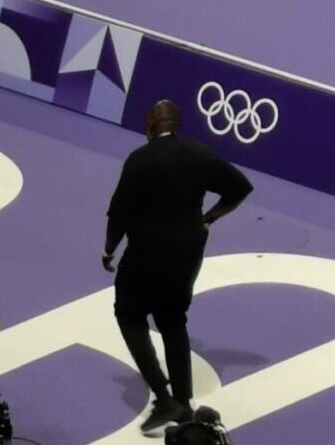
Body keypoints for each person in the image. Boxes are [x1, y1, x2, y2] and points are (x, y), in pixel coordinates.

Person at [104, 100, 253, 436]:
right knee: (173, 321)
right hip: (186, 257)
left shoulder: (139, 160)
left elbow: (119, 212)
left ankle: (163, 395)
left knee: (129, 315)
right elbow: (240, 188)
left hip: (145, 255)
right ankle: (183, 401)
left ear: (151, 124)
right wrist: (208, 217)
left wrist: (109, 247)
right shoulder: (200, 154)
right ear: (178, 125)